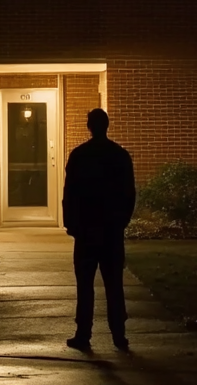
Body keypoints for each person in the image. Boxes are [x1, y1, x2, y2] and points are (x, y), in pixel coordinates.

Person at [62, 107, 136, 351]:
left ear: (89, 126)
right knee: (114, 284)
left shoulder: (80, 155)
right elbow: (129, 193)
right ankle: (119, 335)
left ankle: (83, 334)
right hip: (111, 231)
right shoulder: (120, 155)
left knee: (85, 285)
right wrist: (121, 221)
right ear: (107, 125)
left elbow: (70, 192)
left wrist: (72, 223)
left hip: (86, 230)